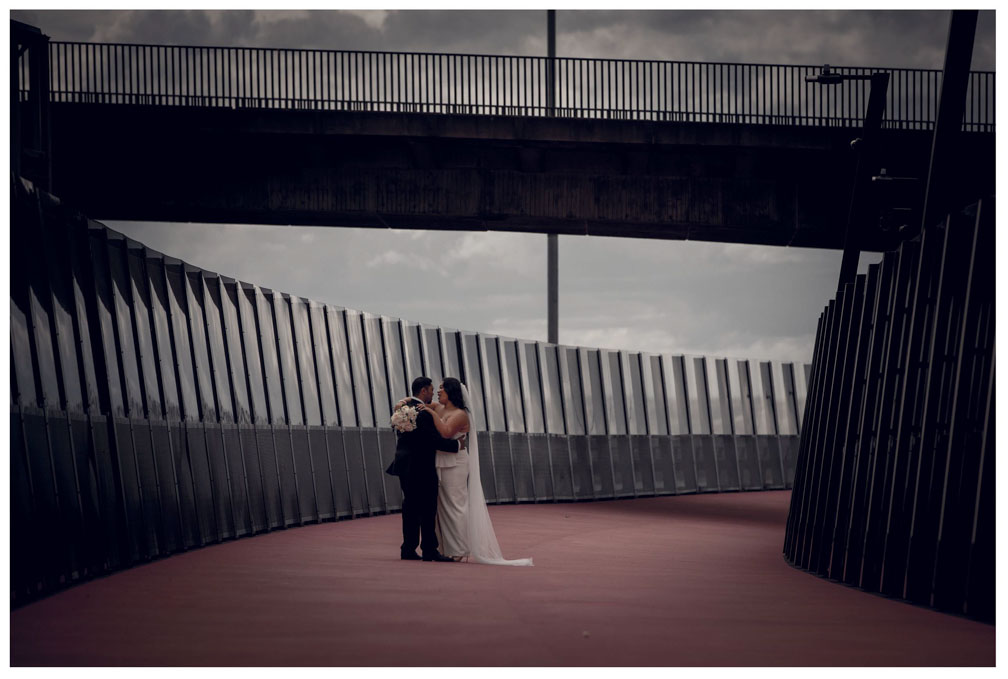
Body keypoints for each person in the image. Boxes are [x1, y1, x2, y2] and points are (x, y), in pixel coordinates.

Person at [419, 377, 533, 567]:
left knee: (455, 504)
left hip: (455, 463)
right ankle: (444, 547)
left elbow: (446, 432)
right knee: (440, 506)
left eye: (442, 388)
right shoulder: (439, 408)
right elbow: (418, 406)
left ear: (451, 391)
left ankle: (458, 549)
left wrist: (431, 415)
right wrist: (405, 403)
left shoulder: (460, 414)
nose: (438, 392)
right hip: (440, 460)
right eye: (437, 388)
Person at [385, 376, 460, 562]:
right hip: (422, 467)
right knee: (428, 509)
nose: (433, 393)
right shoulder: (423, 413)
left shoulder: (402, 409)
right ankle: (429, 550)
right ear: (424, 390)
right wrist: (457, 446)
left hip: (403, 464)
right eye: (431, 390)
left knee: (410, 507)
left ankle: (408, 549)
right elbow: (432, 440)